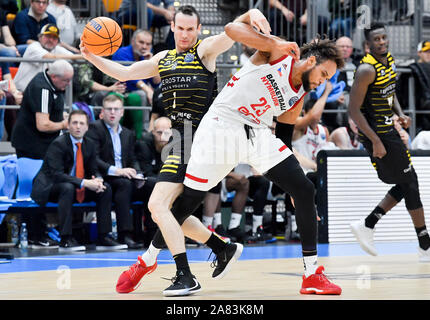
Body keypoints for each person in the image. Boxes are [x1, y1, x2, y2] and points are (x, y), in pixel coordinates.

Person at [81, 6, 270, 297]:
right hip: (179, 141)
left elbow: (231, 33)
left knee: (157, 207)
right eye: (179, 28)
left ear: (197, 29)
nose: (184, 34)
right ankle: (222, 248)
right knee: (169, 212)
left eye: (190, 29)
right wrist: (91, 56)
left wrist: (250, 14)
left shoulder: (204, 50)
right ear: (172, 26)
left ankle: (185, 275)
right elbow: (125, 71)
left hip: (202, 137)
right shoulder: (162, 59)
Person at [179, 27, 344, 293]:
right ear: (311, 61)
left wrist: (292, 183)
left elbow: (285, 140)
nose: (322, 82)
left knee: (305, 188)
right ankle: (147, 260)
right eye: (324, 74)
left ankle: (311, 274)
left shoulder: (297, 96)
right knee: (185, 204)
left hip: (254, 133)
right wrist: (270, 39)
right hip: (222, 126)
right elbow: (233, 29)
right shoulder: (279, 53)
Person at [348, 22, 430, 262]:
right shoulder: (366, 69)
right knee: (409, 181)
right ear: (367, 44)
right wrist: (375, 141)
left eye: (384, 37)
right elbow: (353, 110)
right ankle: (424, 244)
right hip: (377, 134)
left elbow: (389, 92)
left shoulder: (389, 61)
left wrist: (400, 113)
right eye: (377, 39)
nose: (382, 42)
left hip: (389, 129)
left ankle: (368, 224)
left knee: (407, 182)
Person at [30, 109, 126, 251]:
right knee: (67, 187)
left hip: (75, 187)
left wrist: (98, 180)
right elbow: (57, 175)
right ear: (68, 126)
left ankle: (104, 237)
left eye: (82, 123)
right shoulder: (59, 144)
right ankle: (66, 239)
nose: (78, 126)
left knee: (105, 188)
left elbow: (93, 170)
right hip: (50, 188)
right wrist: (85, 183)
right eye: (74, 123)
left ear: (87, 127)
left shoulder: (90, 144)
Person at [11, 59, 73, 249]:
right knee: (37, 189)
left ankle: (41, 231)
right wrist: (65, 124)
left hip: (42, 146)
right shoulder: (43, 89)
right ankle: (35, 235)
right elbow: (43, 124)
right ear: (54, 77)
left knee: (44, 187)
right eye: (66, 81)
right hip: (32, 147)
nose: (68, 85)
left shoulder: (50, 83)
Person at [85, 93, 156, 249]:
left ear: (122, 112)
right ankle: (124, 234)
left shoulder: (128, 133)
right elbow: (93, 158)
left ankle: (152, 234)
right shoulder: (94, 129)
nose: (112, 112)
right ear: (102, 112)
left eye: (116, 109)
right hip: (105, 177)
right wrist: (117, 170)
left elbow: (132, 159)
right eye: (109, 109)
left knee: (151, 184)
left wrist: (138, 174)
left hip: (124, 176)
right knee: (124, 184)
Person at [112, 29, 160, 139]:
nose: (144, 47)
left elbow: (156, 83)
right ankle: (144, 133)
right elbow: (128, 75)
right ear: (133, 41)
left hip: (138, 93)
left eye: (148, 44)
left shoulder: (148, 57)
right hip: (119, 91)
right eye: (141, 42)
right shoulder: (122, 53)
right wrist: (147, 89)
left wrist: (152, 63)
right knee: (143, 94)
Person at [13, 23, 82, 93]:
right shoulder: (34, 46)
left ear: (58, 42)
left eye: (54, 38)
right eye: (48, 36)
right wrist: (81, 56)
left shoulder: (57, 49)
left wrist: (87, 56)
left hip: (42, 92)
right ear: (40, 37)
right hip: (21, 92)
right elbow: (49, 57)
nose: (51, 40)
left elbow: (73, 57)